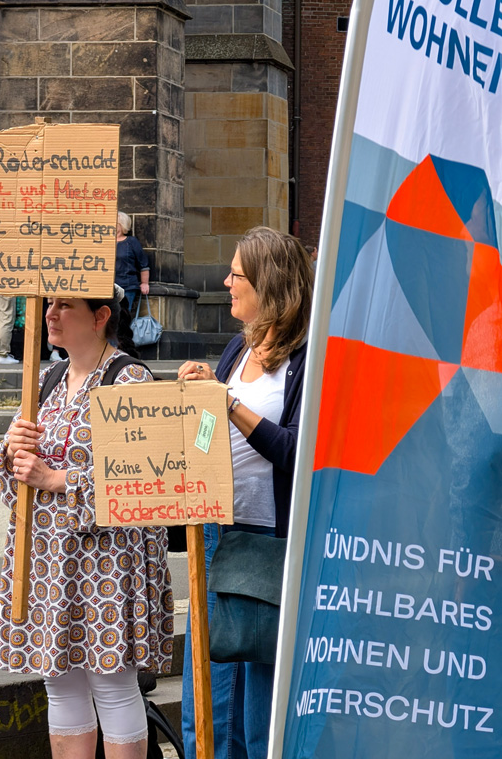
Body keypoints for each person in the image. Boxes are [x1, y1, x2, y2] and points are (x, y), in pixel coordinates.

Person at [0, 286, 173, 759]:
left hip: (107, 559)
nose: (50, 314)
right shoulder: (48, 377)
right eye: (49, 304)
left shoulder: (128, 380)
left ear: (100, 316)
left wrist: (56, 479)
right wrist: (12, 450)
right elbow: (13, 474)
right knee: (60, 682)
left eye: (64, 305)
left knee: (112, 683)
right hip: (51, 556)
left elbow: (145, 476)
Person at [178, 226, 314, 759]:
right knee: (206, 703)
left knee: (259, 713)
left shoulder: (306, 357)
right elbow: (212, 435)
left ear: (268, 283)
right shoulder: (238, 348)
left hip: (266, 545)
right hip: (219, 533)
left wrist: (228, 403)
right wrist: (198, 402)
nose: (227, 282)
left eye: (237, 274)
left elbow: (297, 452)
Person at [115, 212, 150, 309]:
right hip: (107, 286)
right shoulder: (104, 241)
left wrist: (144, 283)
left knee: (123, 313)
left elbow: (143, 264)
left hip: (126, 286)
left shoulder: (131, 242)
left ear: (122, 225)